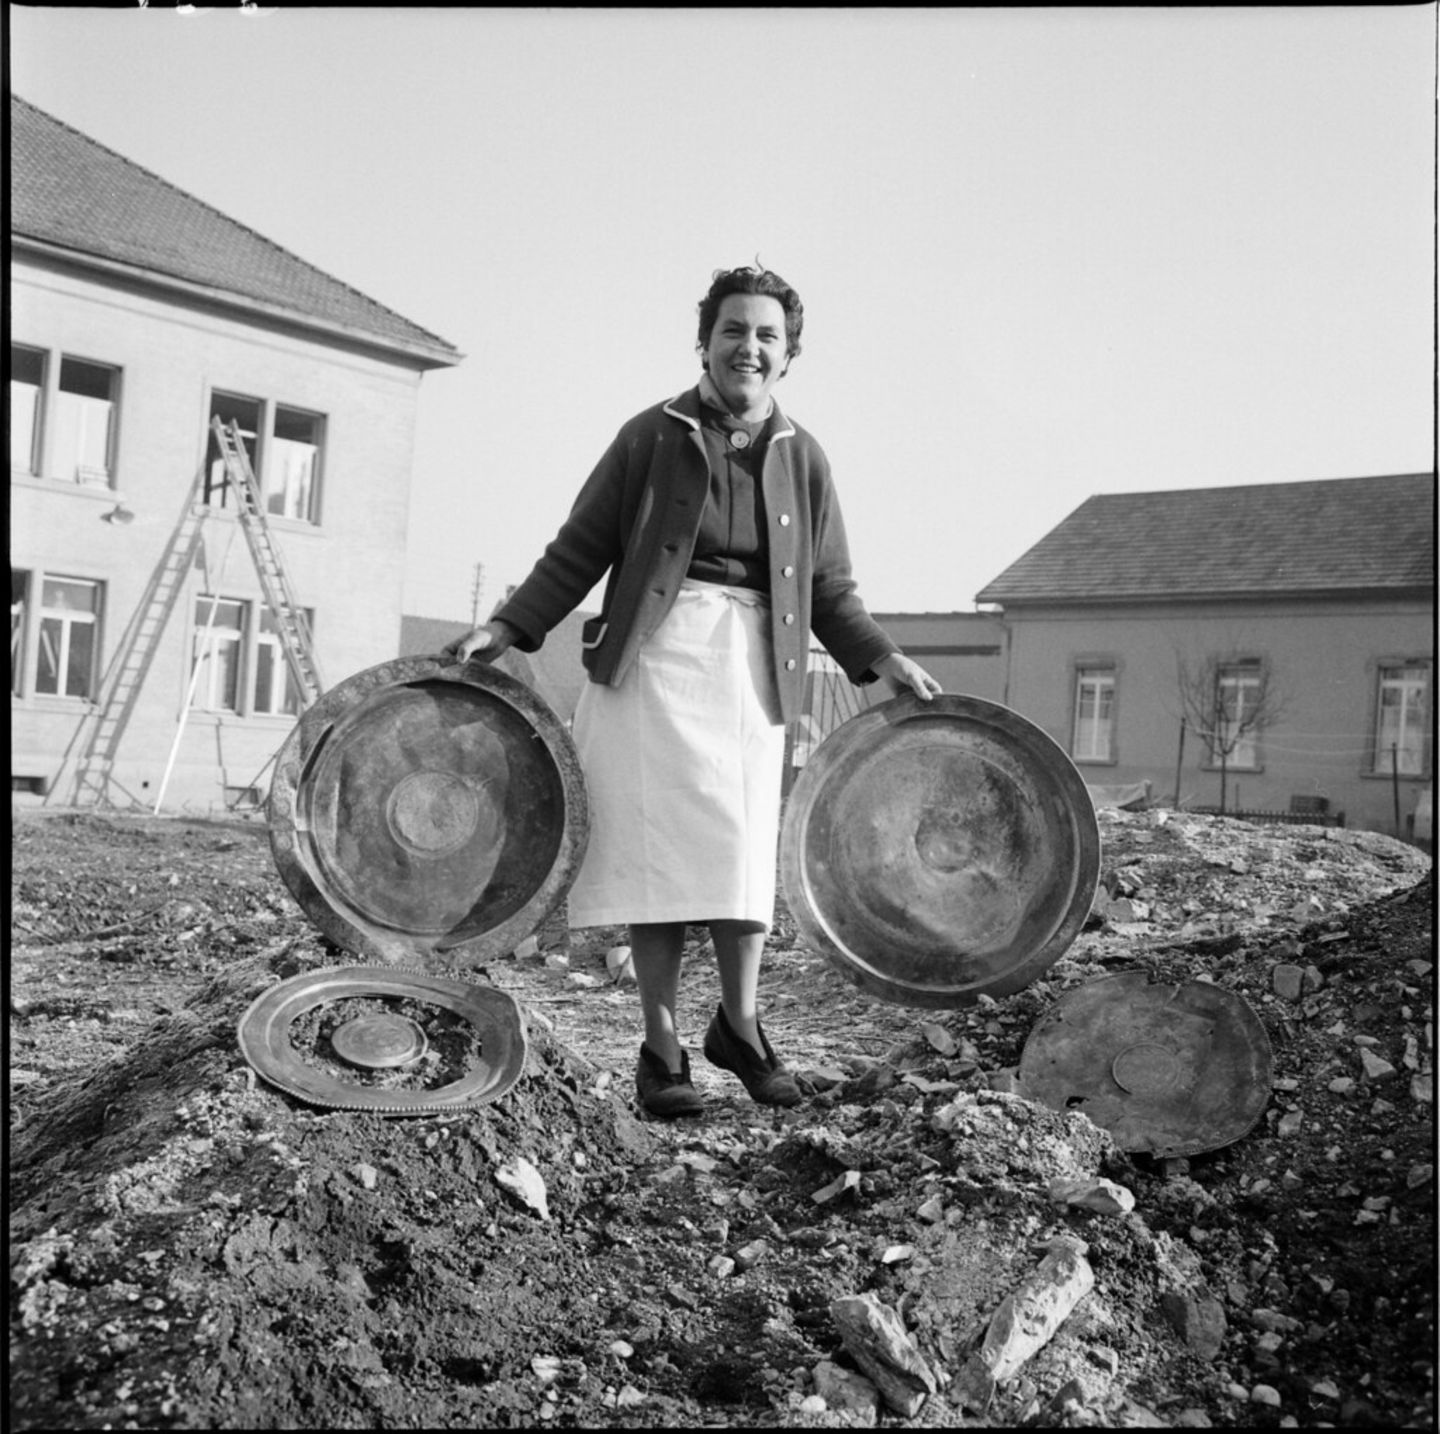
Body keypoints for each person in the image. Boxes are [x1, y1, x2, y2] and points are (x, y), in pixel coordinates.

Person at [444, 264, 939, 1118]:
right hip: (652, 668)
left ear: (789, 355)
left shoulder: (803, 457)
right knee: (659, 860)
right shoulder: (649, 436)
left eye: (767, 336)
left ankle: (739, 1028)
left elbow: (831, 591)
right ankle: (663, 1047)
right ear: (704, 342)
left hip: (752, 669)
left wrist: (881, 660)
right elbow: (578, 550)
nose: (749, 348)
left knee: (742, 853)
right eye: (733, 331)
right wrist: (507, 628)